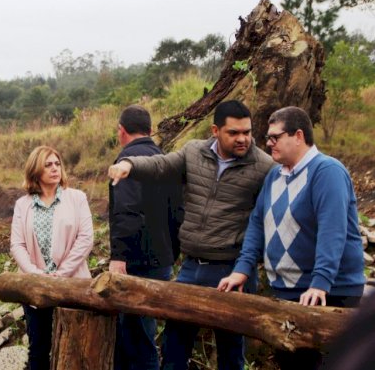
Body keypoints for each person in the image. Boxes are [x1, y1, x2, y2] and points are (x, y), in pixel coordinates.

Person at [108, 100, 274, 370]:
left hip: (232, 271)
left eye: (247, 131)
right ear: (215, 130)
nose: (242, 138)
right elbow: (161, 164)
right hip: (191, 268)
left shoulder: (263, 167)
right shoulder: (193, 152)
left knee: (231, 355)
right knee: (174, 350)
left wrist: (247, 267)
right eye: (234, 133)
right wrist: (129, 165)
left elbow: (265, 222)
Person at [218, 106, 365, 369]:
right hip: (287, 293)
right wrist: (242, 269)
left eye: (275, 137)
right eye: (268, 138)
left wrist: (320, 282)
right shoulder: (275, 175)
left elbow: (333, 231)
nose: (269, 143)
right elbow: (257, 224)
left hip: (329, 294)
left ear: (298, 136)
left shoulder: (327, 172)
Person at [109, 105, 182, 370]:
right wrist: (172, 253)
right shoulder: (166, 161)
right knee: (143, 334)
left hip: (135, 262)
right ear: (151, 130)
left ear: (122, 131)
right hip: (163, 258)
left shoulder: (124, 165)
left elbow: (127, 212)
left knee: (139, 341)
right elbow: (179, 212)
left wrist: (118, 256)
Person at [10, 145, 94, 370]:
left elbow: (86, 238)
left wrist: (61, 274)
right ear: (36, 170)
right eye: (48, 165)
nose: (55, 169)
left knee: (76, 346)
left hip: (72, 284)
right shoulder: (23, 205)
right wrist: (35, 274)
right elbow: (17, 245)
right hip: (36, 288)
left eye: (57, 164)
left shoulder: (77, 198)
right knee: (38, 349)